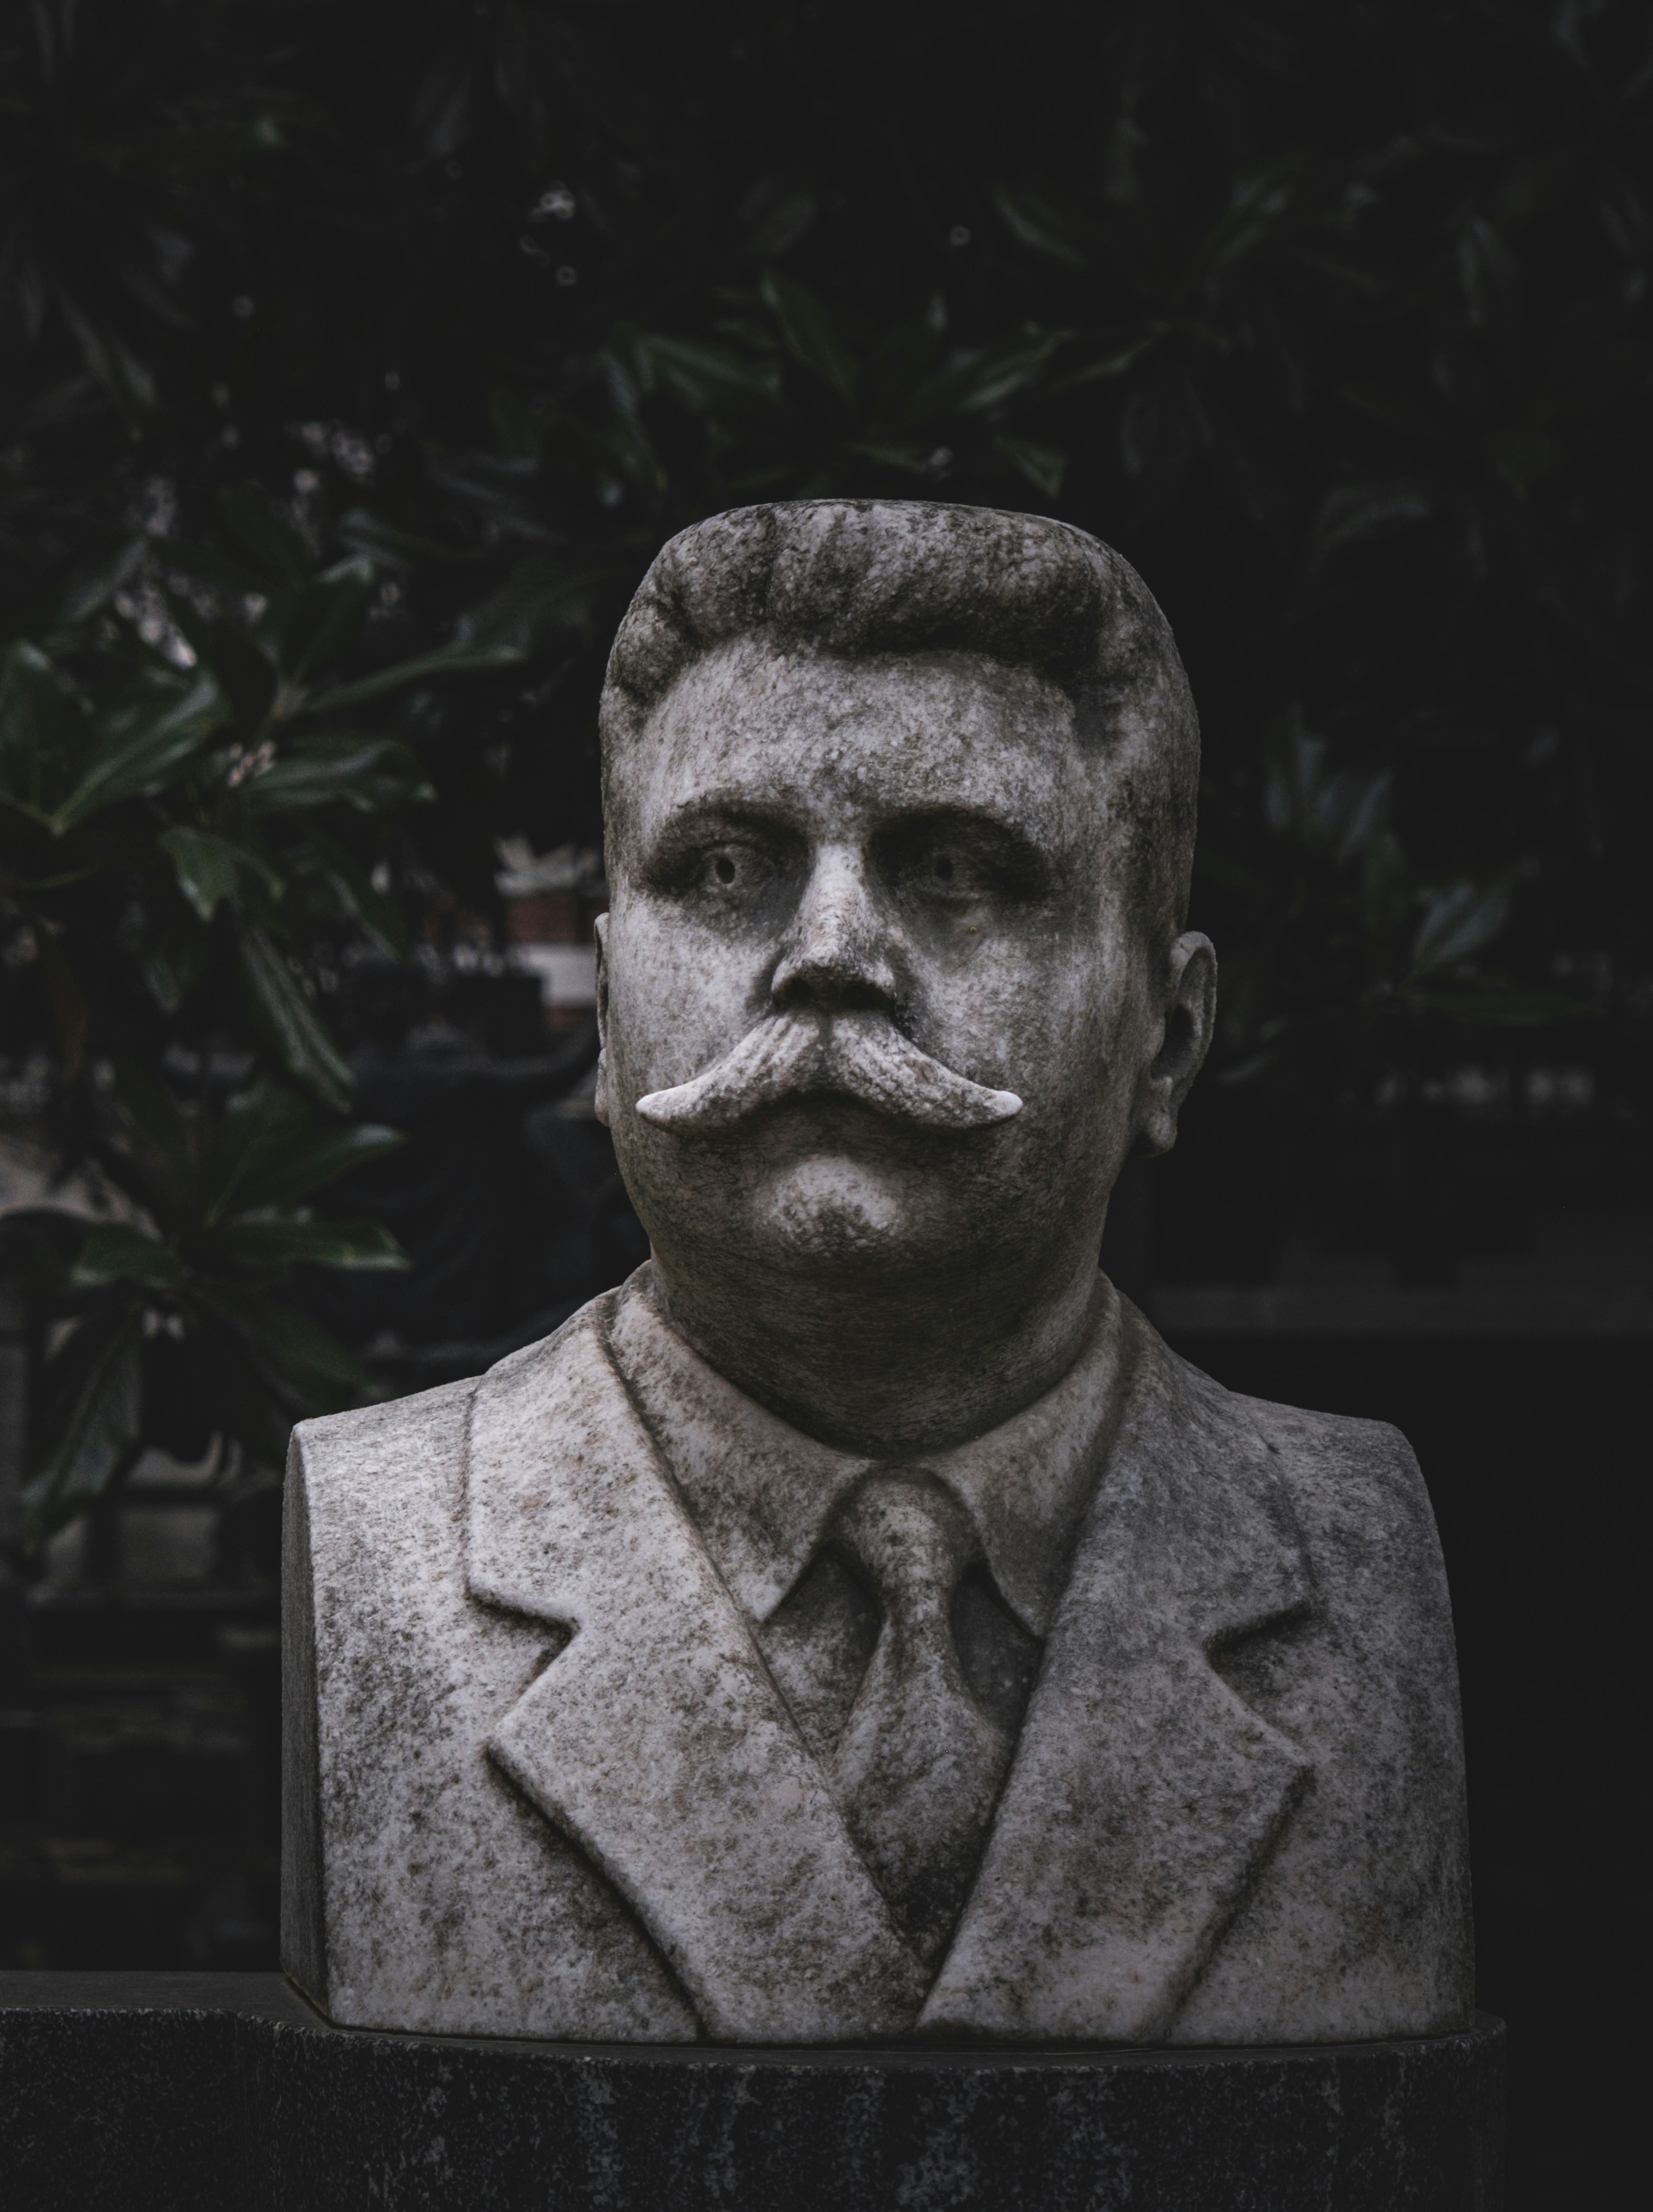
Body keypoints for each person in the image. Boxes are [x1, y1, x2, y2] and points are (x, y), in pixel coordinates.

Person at [282, 501, 1472, 2044]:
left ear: (1167, 1039)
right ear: (608, 1016)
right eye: (724, 868)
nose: (830, 953)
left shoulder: (1354, 1555)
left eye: (960, 870)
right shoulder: (385, 1542)